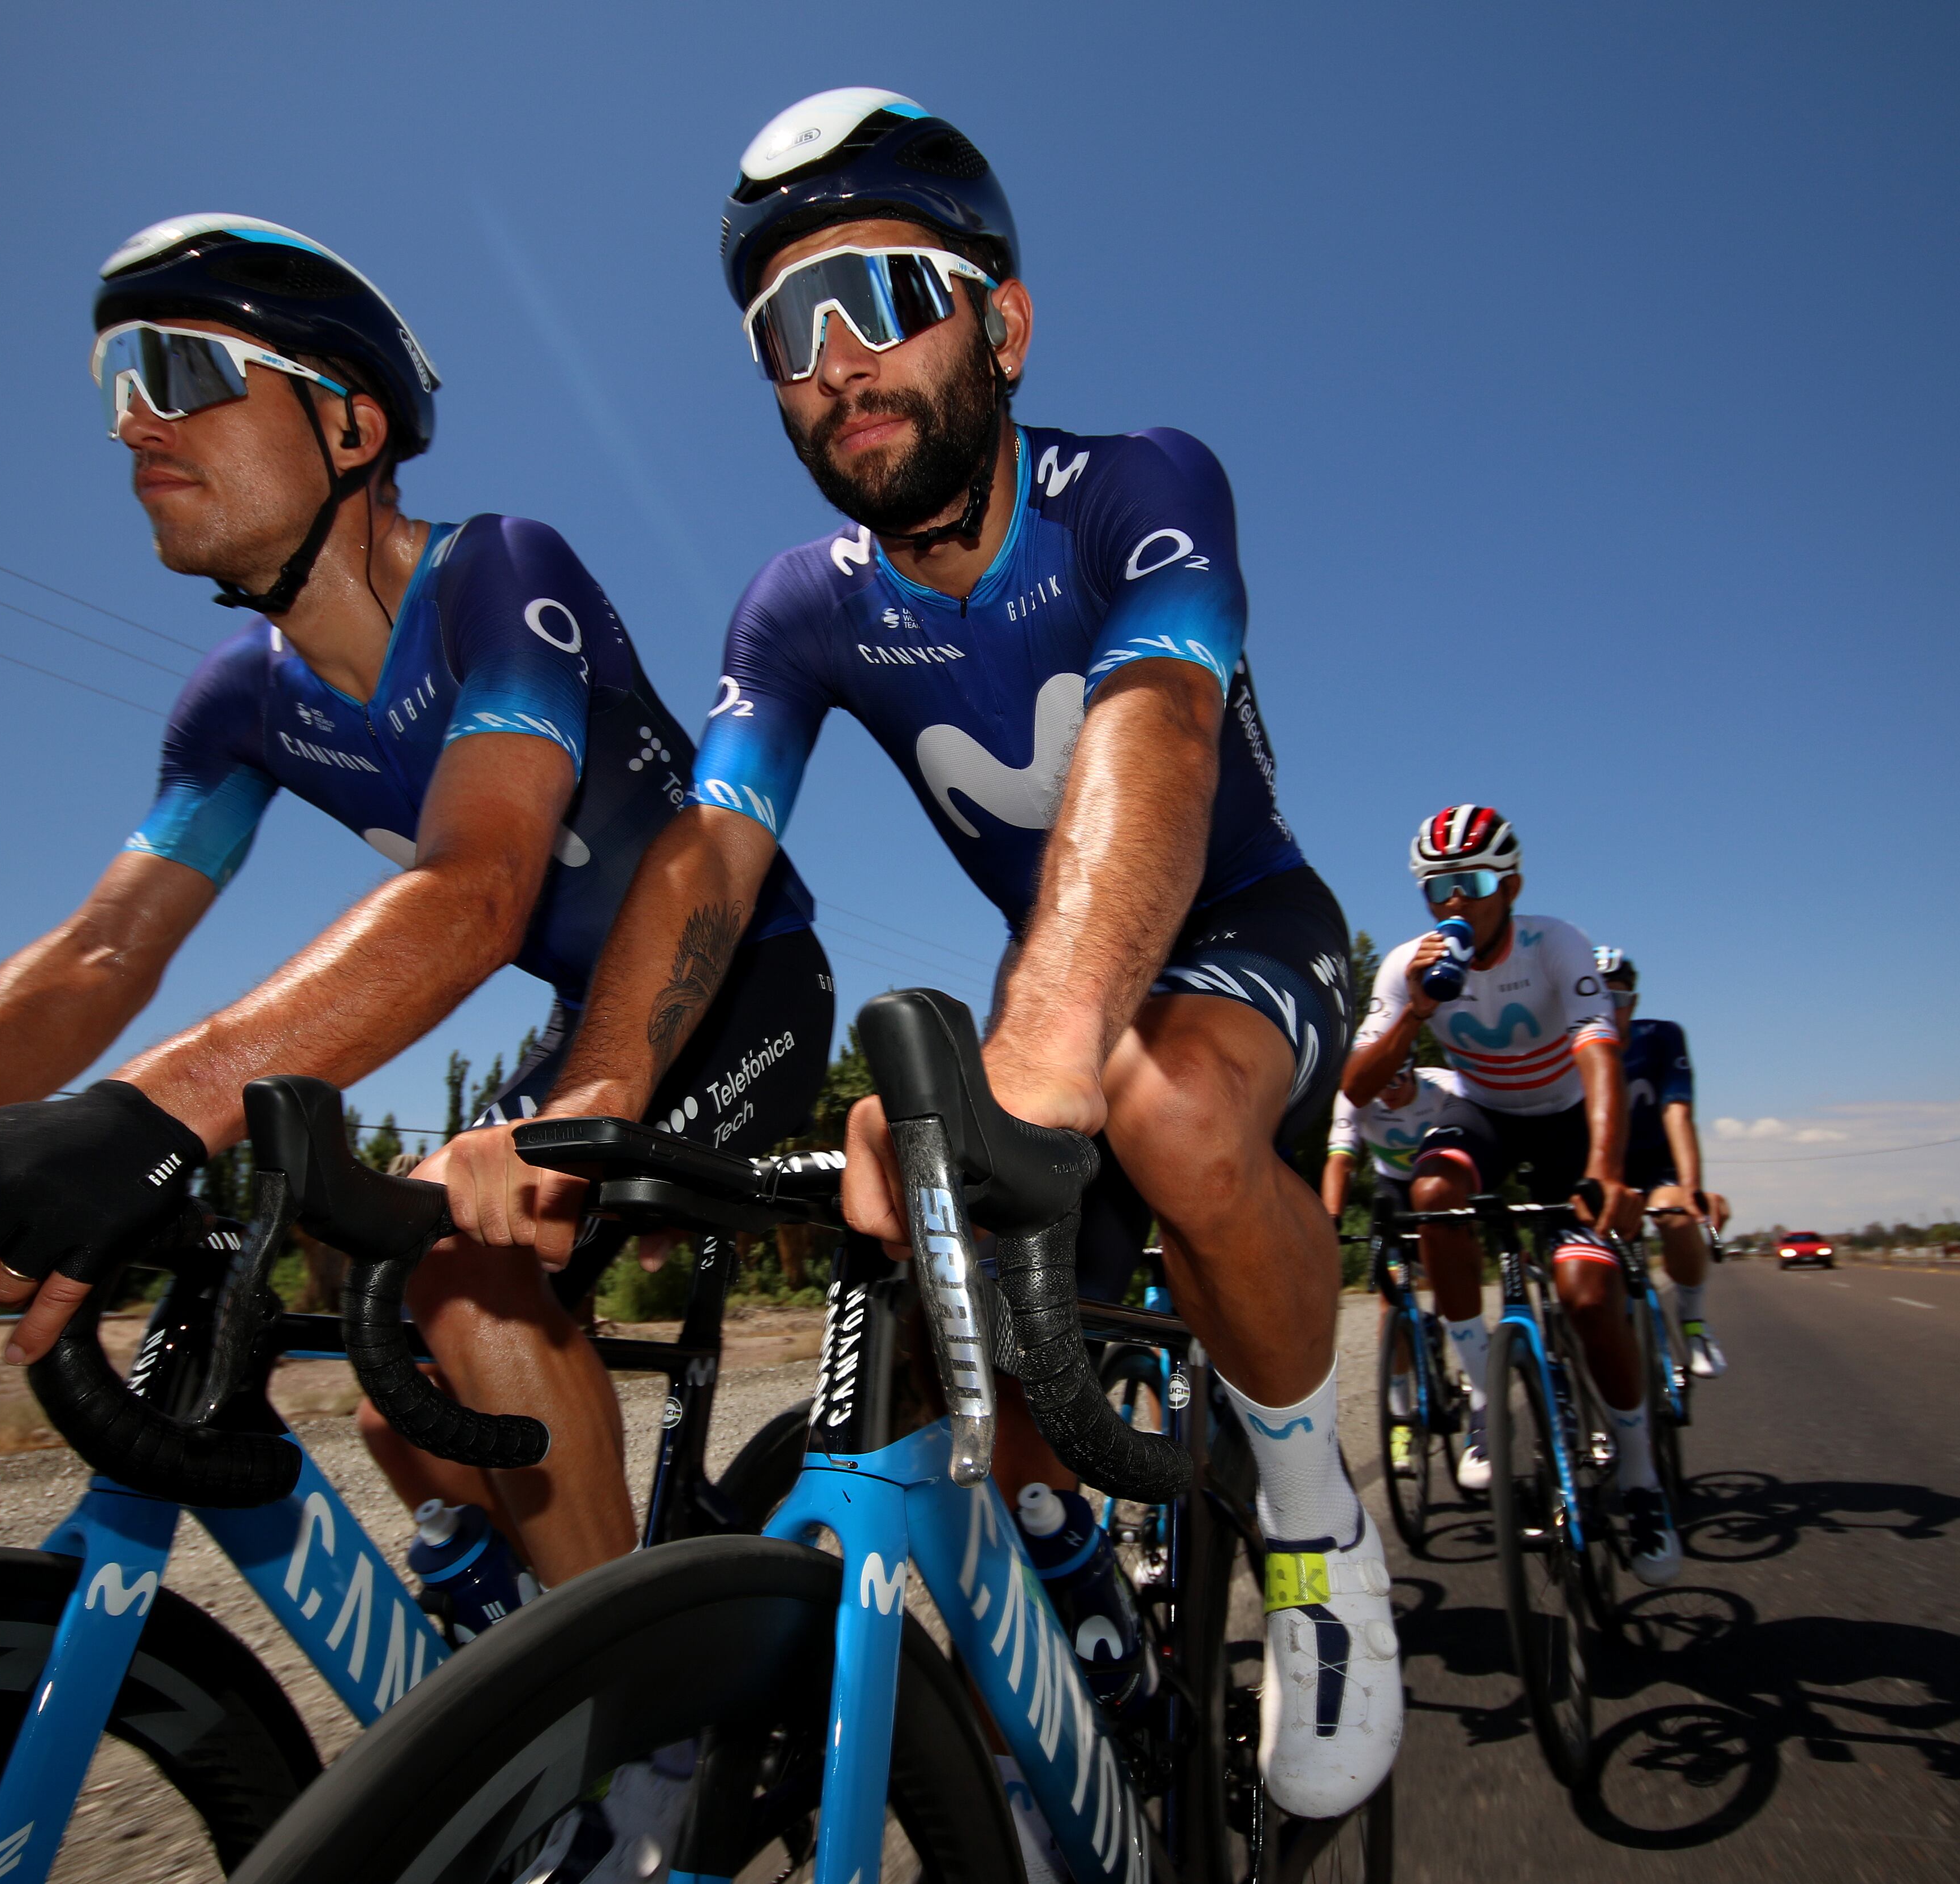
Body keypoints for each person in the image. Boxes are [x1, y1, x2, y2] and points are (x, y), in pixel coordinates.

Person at [0, 215, 832, 1592]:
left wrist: (151, 1113)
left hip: (730, 988)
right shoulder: (237, 701)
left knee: (461, 1272)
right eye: (118, 386)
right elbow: (99, 955)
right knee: (392, 1338)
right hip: (584, 1013)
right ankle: (504, 1623)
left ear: (349, 425)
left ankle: (640, 1727)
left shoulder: (498, 576)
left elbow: (476, 892)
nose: (136, 425)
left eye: (187, 373)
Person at [437, 89, 1399, 1817]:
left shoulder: (1138, 486)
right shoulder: (797, 607)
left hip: (1243, 933)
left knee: (1163, 1107)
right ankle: (1075, 1636)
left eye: (877, 295)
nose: (833, 362)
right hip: (1069, 989)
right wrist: (586, 1093)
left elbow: (1161, 734)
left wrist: (1045, 1039)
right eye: (782, 334)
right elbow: (714, 852)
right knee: (949, 1298)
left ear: (1004, 325)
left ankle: (1316, 1526)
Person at [1339, 805, 1680, 1584]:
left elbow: (1599, 1053)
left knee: (1589, 1298)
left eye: (1475, 882)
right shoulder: (1408, 964)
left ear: (1513, 884)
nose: (1455, 900)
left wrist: (1604, 1170)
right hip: (1485, 1113)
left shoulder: (1554, 943)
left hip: (1567, 1121)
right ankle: (1487, 1395)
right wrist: (1416, 1011)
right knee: (1433, 1192)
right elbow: (1355, 1087)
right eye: (1437, 887)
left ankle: (1640, 1478)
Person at [1595, 947, 1725, 1376]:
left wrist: (1691, 1187)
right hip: (1600, 1165)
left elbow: (1677, 1113)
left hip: (1655, 1163)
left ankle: (1694, 1322)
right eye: (1593, 997)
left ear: (1633, 1001)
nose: (1605, 1009)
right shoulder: (1563, 1045)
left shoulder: (1662, 1037)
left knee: (1677, 1217)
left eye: (1615, 998)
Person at [1319, 1062, 1488, 1223]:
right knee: (1387, 1239)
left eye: (1395, 1082)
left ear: (1412, 1070)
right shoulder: (1356, 1096)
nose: (1386, 1093)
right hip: (1393, 1183)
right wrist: (1332, 1220)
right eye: (1378, 1086)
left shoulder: (1444, 1086)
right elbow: (1341, 1162)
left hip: (1442, 1177)